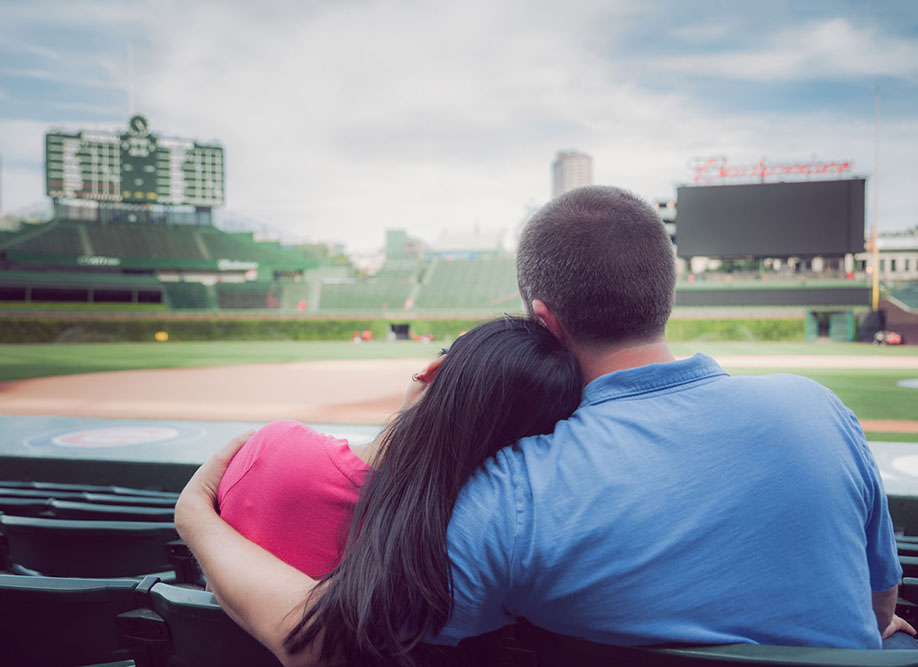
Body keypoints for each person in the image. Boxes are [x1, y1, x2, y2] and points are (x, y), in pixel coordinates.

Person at [177, 186, 913, 666]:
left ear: (543, 320)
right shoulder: (820, 411)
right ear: (666, 292)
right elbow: (880, 608)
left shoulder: (513, 491)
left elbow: (331, 645)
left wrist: (196, 519)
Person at [185, 316, 582, 665]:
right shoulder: (482, 532)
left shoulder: (276, 446)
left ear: (432, 370)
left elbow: (213, 594)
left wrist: (192, 515)